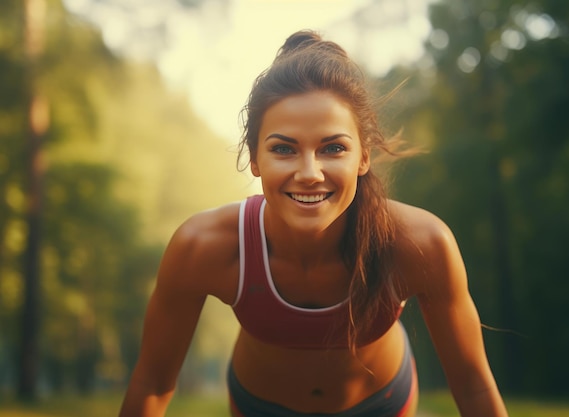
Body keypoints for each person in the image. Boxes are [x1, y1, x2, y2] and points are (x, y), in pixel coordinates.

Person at [118, 30, 509, 417]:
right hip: (259, 408)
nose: (309, 173)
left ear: (363, 158)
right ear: (254, 159)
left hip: (381, 405)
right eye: (284, 149)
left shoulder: (421, 243)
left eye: (333, 148)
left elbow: (474, 386)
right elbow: (152, 383)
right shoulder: (203, 246)